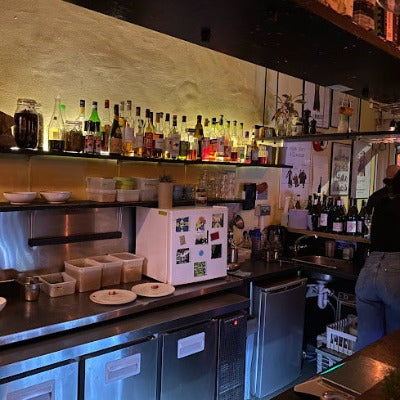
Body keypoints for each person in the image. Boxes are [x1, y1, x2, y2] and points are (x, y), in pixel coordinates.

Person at [355, 170, 400, 350]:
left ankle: (360, 368)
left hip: (369, 270)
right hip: (395, 274)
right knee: (394, 344)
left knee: (367, 343)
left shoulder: (381, 201)